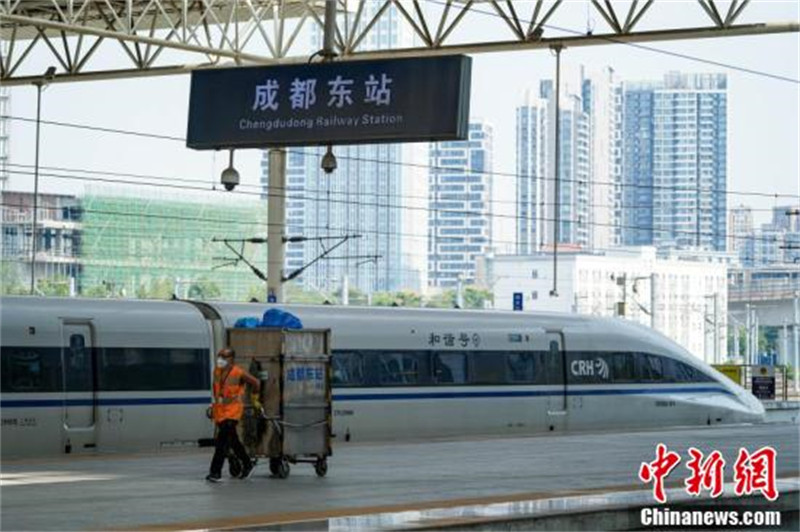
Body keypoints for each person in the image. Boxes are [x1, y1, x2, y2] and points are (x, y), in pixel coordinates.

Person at [206, 348, 261, 482]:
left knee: (221, 443)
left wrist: (254, 398)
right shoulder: (217, 372)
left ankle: (215, 472)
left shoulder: (238, 372)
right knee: (233, 441)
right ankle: (247, 463)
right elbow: (217, 392)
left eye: (224, 357)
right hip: (220, 412)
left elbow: (256, 383)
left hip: (232, 412)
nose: (220, 359)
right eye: (219, 356)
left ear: (231, 359)